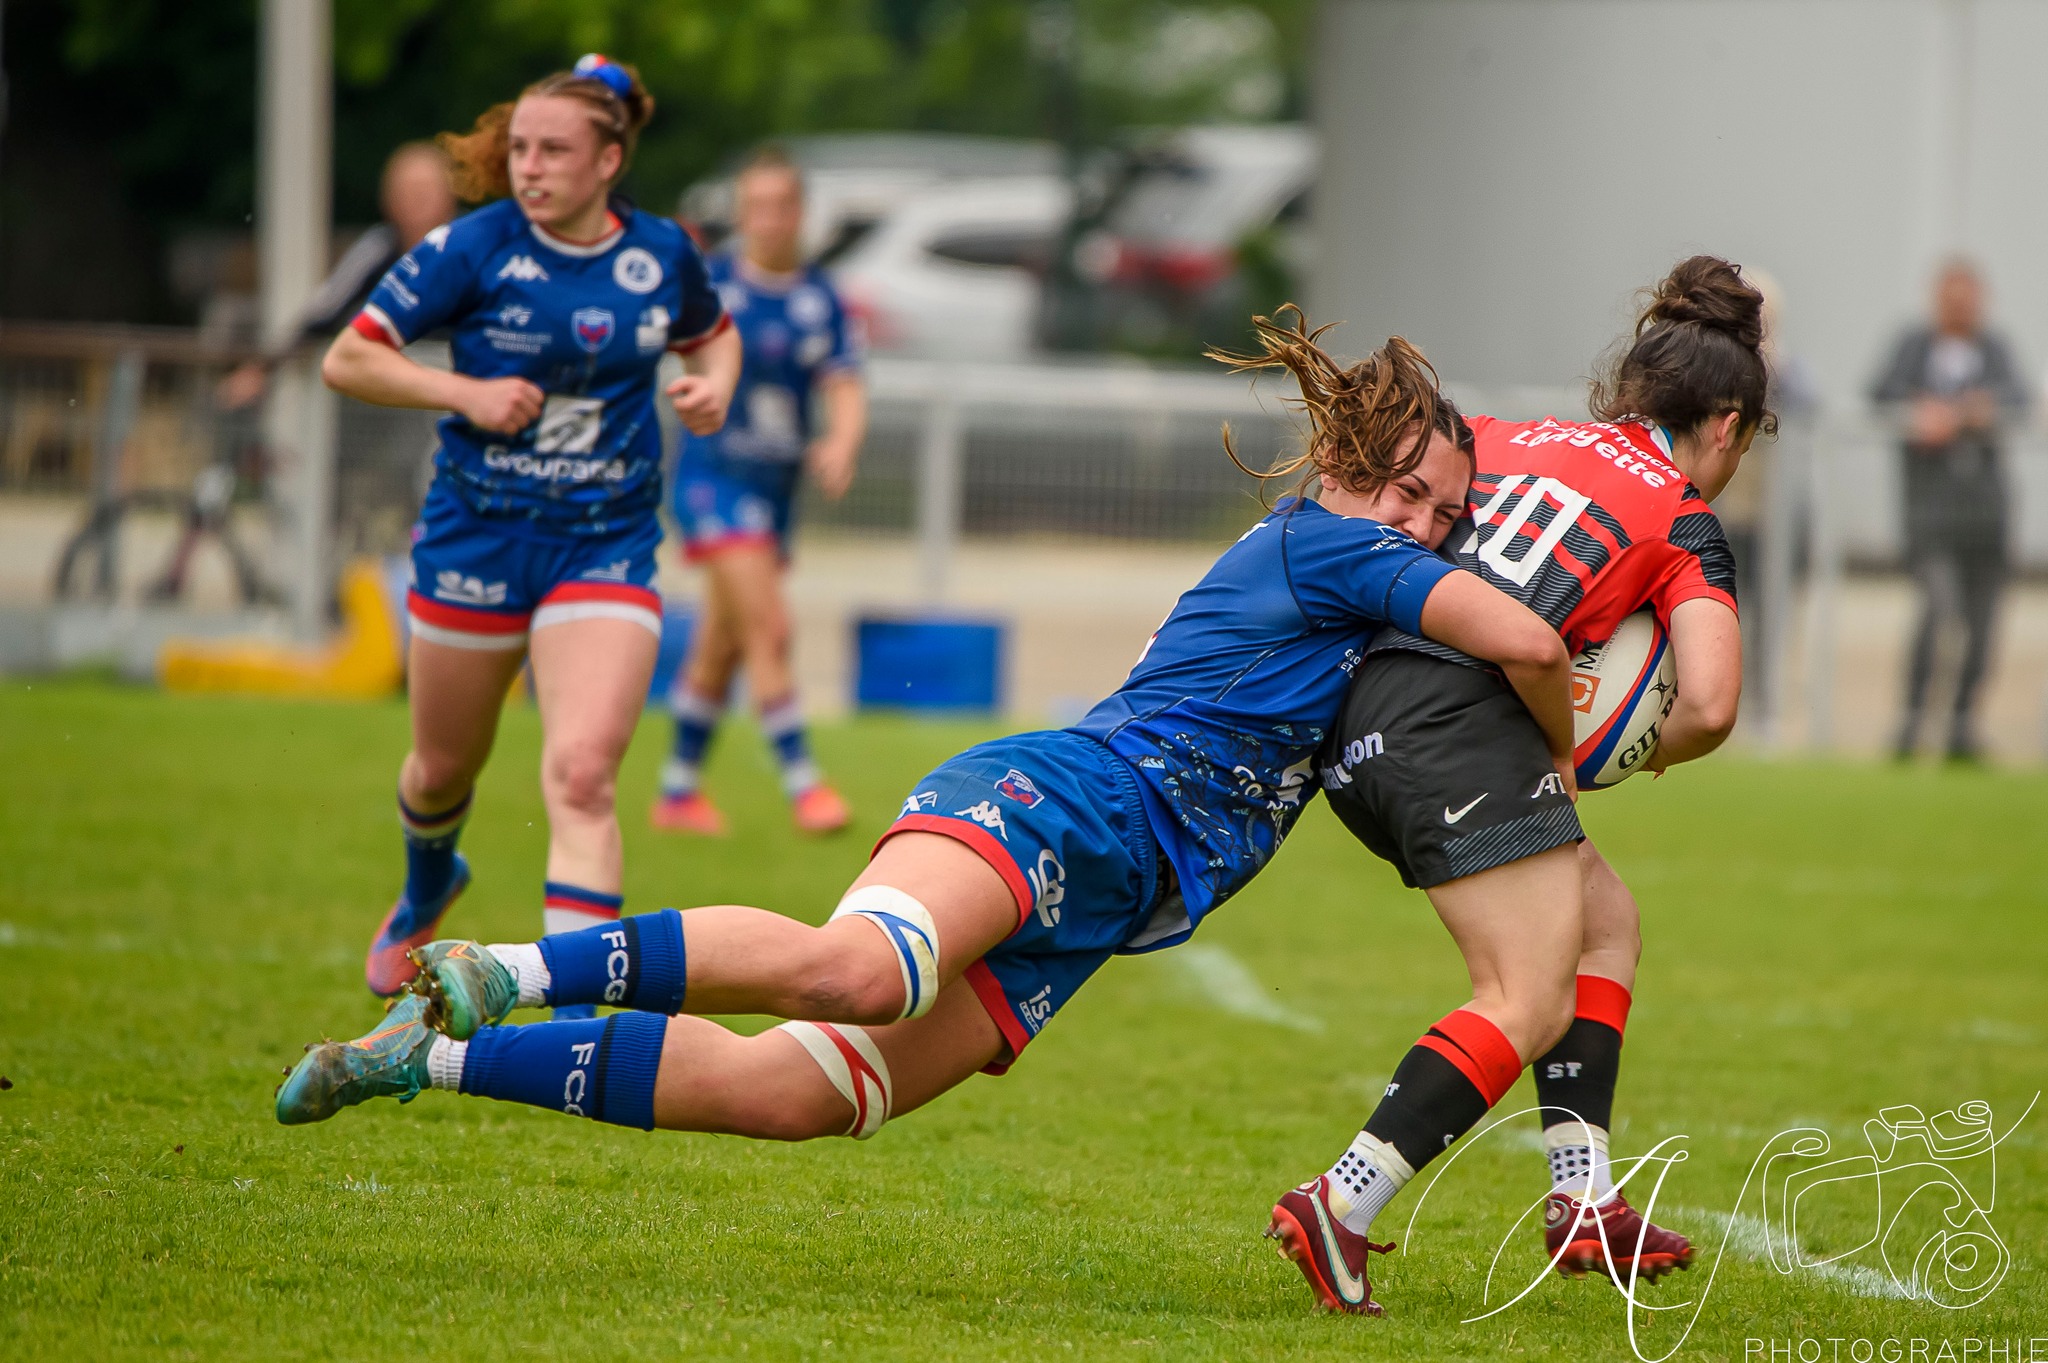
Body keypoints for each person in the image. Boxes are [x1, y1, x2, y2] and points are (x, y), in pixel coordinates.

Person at [274, 318, 1573, 1217]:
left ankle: (418, 1057)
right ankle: (500, 970)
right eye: (1410, 495)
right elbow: (1521, 633)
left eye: (1449, 514)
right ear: (1346, 472)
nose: (1429, 529)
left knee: (794, 1091)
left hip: (1110, 895)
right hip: (1070, 800)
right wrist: (1570, 740)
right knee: (861, 966)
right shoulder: (1334, 550)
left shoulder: (1356, 593)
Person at [1272, 257, 1762, 1315]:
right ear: (1723, 424)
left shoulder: (1489, 438)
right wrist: (1627, 748)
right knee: (1525, 995)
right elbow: (1710, 703)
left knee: (1603, 921)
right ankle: (1340, 1202)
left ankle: (1581, 1200)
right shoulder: (1680, 517)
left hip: (1351, 706)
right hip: (1459, 726)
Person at [317, 55, 741, 1013]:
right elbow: (349, 357)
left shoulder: (660, 253)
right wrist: (463, 389)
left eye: (553, 150)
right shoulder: (473, 246)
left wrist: (714, 384)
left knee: (584, 772)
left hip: (605, 545)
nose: (529, 167)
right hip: (478, 541)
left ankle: (574, 1012)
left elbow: (711, 332)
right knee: (440, 769)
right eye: (517, 148)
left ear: (609, 162)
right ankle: (428, 884)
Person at [652, 146, 866, 837]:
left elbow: (845, 381)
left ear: (800, 213)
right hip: (713, 480)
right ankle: (805, 784)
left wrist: (841, 439)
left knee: (723, 641)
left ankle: (678, 792)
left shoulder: (822, 299)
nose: (767, 221)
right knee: (770, 626)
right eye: (754, 208)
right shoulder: (712, 287)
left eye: (780, 206)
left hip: (775, 493)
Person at [1871, 259, 2028, 762]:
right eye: (1952, 296)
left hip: (1987, 517)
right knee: (1940, 614)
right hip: (1931, 515)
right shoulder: (1912, 347)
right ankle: (1913, 721)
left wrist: (1983, 410)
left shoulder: (1995, 350)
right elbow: (1881, 393)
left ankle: (1962, 727)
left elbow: (2019, 398)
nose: (1962, 307)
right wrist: (1920, 412)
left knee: (1982, 624)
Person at [217, 143, 458, 411]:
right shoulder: (377, 249)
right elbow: (325, 312)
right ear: (389, 198)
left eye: (426, 190)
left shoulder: (472, 249)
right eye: (409, 191)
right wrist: (263, 368)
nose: (417, 199)